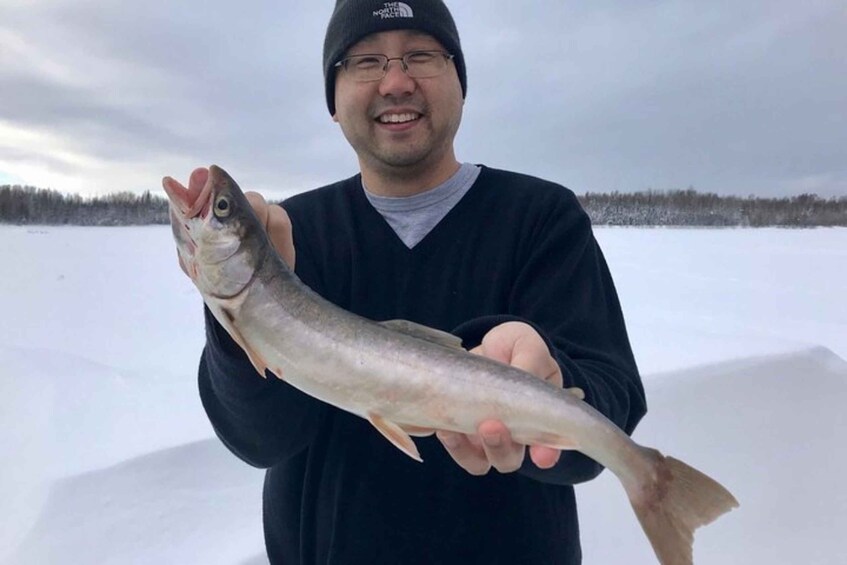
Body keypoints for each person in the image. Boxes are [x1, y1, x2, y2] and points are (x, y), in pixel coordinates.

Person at [187, 1, 647, 563]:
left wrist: (550, 375)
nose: (396, 81)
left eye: (421, 56)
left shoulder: (542, 217)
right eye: (366, 61)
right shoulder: (290, 233)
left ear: (460, 81)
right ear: (333, 99)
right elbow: (258, 440)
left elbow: (611, 403)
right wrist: (247, 306)